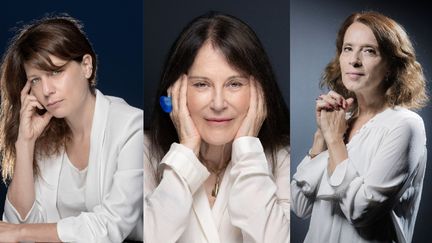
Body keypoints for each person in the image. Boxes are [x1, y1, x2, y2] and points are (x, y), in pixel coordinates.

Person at [144, 12, 290, 242]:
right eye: (202, 84)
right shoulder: (142, 151)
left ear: (259, 92)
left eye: (234, 84)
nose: (219, 104)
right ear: (175, 90)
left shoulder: (283, 159)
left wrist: (248, 151)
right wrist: (186, 151)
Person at [0, 15, 143, 242]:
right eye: (35, 80)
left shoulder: (131, 127)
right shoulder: (46, 135)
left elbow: (112, 224)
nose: (46, 90)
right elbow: (17, 226)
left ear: (86, 66)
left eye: (56, 72)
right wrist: (25, 143)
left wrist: (19, 233)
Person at [291, 11, 428, 243]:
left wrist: (334, 141)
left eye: (369, 51)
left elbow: (360, 210)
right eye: (348, 48)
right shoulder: (341, 121)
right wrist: (320, 140)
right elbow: (299, 205)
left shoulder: (404, 125)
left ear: (392, 65)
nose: (354, 60)